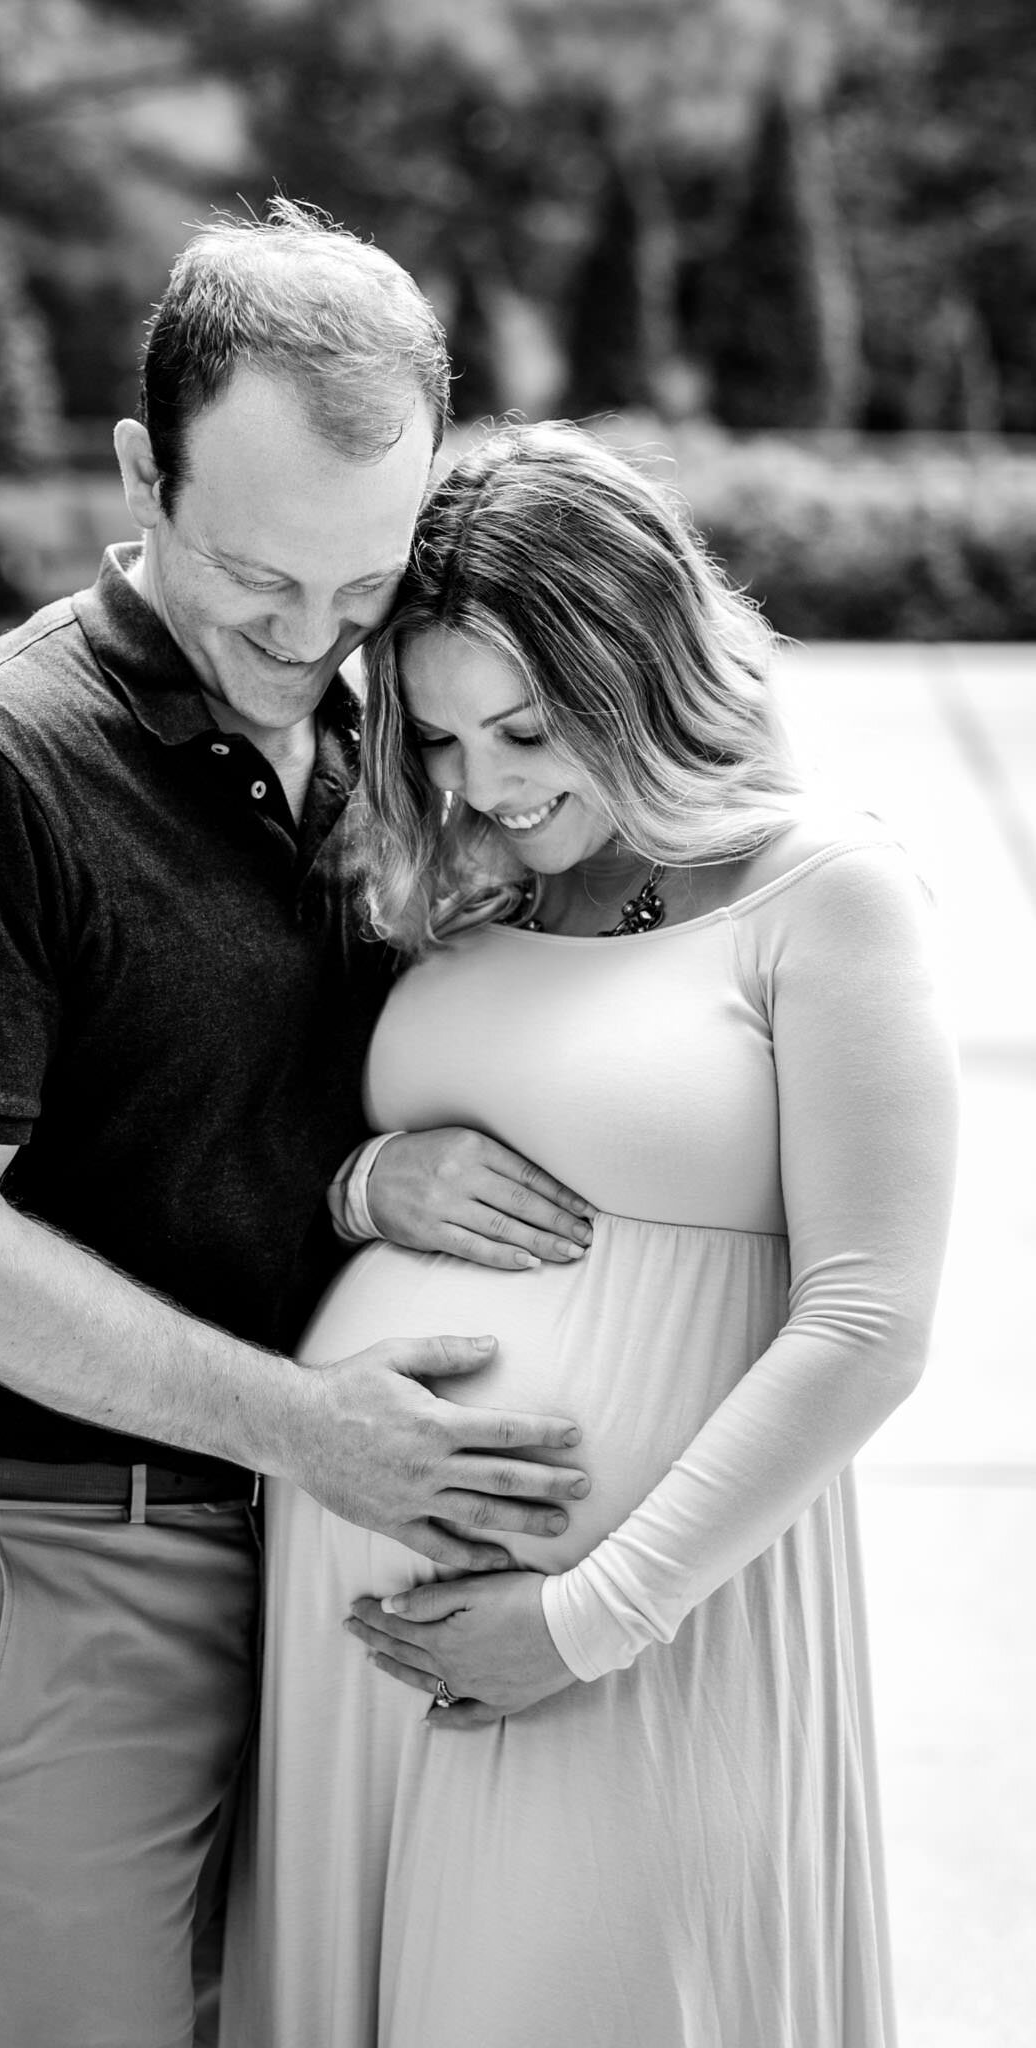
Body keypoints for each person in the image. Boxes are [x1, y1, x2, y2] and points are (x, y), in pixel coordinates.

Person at [0, 208, 599, 2048]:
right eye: (257, 580)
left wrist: (353, 1175)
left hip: (286, 1552)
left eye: (361, 586)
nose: (309, 639)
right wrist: (316, 1430)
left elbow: (208, 1102)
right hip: (26, 1583)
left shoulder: (368, 738)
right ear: (141, 469)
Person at [222, 421, 959, 2048]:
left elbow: (865, 1327)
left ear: (641, 667)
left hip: (635, 1643)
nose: (485, 782)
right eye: (440, 737)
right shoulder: (477, 881)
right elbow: (295, 1148)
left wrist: (581, 1620)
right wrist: (361, 1187)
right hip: (362, 1650)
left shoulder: (823, 894)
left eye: (528, 727)